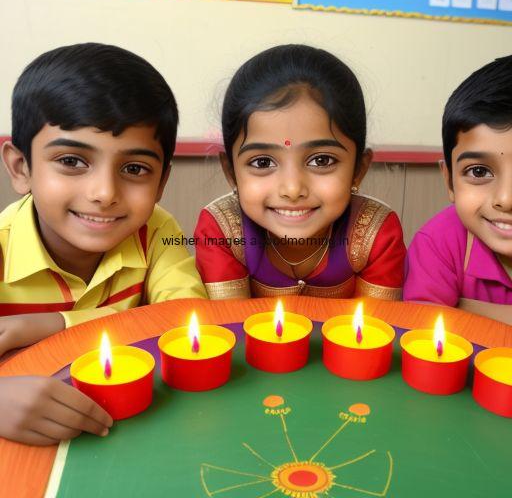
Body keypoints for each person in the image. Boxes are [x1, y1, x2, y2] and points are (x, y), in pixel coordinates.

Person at [0, 43, 206, 445]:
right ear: (21, 167)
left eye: (134, 168)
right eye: (72, 161)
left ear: (162, 182)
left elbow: (186, 318)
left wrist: (54, 325)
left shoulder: (157, 231)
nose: (104, 193)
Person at [194, 44, 406, 300]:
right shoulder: (222, 230)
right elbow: (230, 332)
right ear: (231, 172)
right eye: (262, 163)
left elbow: (375, 333)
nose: (293, 189)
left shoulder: (376, 233)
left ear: (358, 170)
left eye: (321, 160)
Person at [404, 56, 512, 325]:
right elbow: (422, 336)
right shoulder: (439, 245)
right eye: (479, 172)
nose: (505, 199)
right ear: (450, 181)